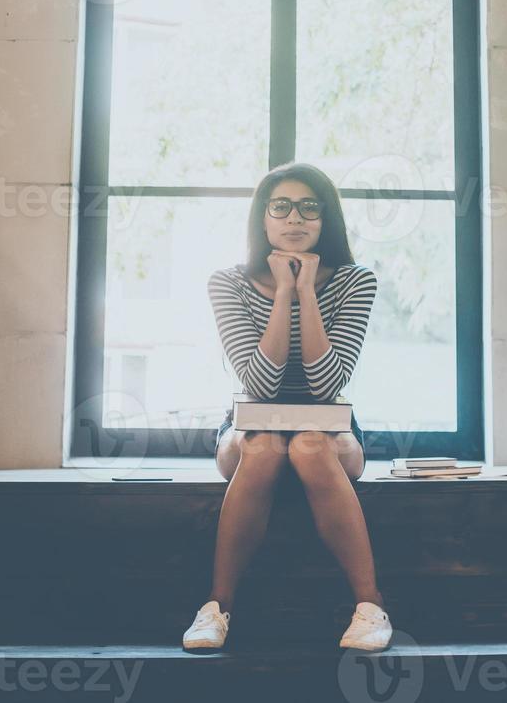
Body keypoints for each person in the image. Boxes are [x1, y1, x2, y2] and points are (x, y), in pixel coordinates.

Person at [182, 161, 392, 652]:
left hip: (331, 427)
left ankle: (370, 607)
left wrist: (307, 291)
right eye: (281, 206)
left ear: (325, 219)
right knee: (265, 448)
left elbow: (325, 386)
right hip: (251, 424)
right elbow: (258, 383)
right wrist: (282, 292)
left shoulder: (355, 280)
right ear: (263, 218)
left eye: (309, 207)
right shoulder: (227, 282)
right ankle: (216, 608)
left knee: (311, 446)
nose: (294, 217)